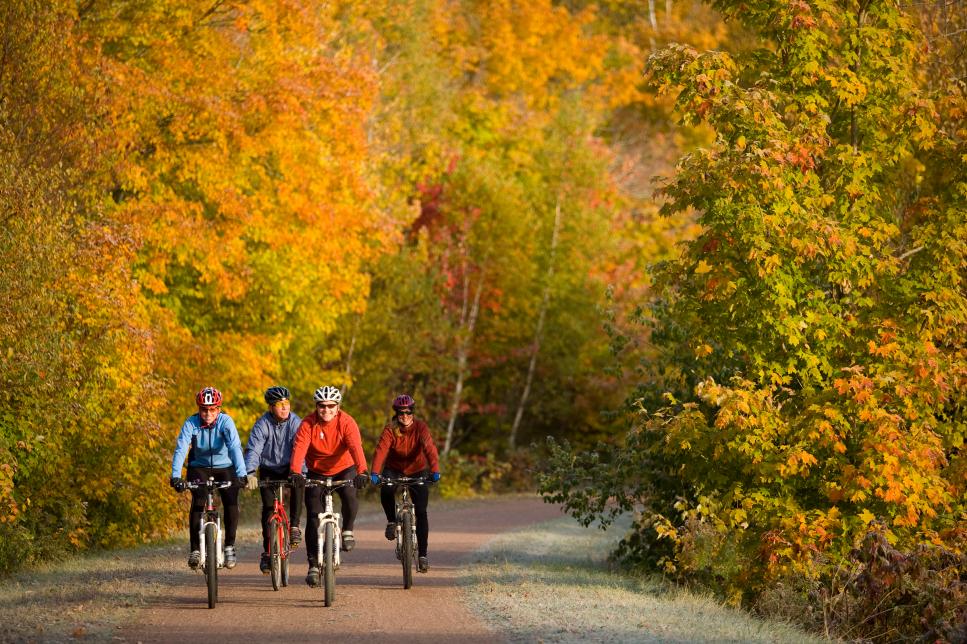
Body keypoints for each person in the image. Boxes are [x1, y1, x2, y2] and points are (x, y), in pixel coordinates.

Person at [289, 385, 370, 587]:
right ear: (316, 407)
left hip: (344, 467)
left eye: (330, 406)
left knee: (350, 496)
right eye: (322, 406)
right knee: (314, 516)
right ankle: (313, 565)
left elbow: (355, 447)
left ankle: (347, 531)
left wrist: (362, 471)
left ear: (337, 407)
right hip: (316, 470)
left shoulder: (347, 422)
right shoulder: (308, 423)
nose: (326, 410)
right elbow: (299, 448)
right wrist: (295, 472)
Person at [170, 386, 248, 570]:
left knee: (231, 501)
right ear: (199, 409)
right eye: (204, 409)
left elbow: (235, 447)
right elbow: (181, 448)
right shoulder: (191, 423)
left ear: (218, 409)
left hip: (225, 467)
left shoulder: (226, 422)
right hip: (199, 467)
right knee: (198, 502)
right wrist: (175, 476)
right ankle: (195, 550)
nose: (208, 413)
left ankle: (229, 546)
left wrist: (241, 473)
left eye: (212, 409)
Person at [369, 394, 441, 573]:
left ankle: (423, 555)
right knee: (386, 490)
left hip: (417, 470)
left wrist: (435, 470)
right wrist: (375, 473)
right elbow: (380, 451)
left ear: (413, 412)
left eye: (408, 412)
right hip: (393, 469)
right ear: (396, 414)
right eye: (401, 413)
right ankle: (392, 521)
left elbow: (430, 449)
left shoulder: (421, 428)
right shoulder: (390, 430)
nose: (405, 416)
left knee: (422, 511)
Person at [244, 385, 305, 574]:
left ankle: (294, 525)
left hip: (290, 466)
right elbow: (254, 449)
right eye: (280, 404)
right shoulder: (262, 424)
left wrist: (300, 472)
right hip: (269, 468)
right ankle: (267, 552)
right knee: (269, 510)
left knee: (298, 486)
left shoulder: (296, 422)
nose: (285, 407)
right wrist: (250, 472)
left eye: (287, 403)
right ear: (271, 407)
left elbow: (302, 448)